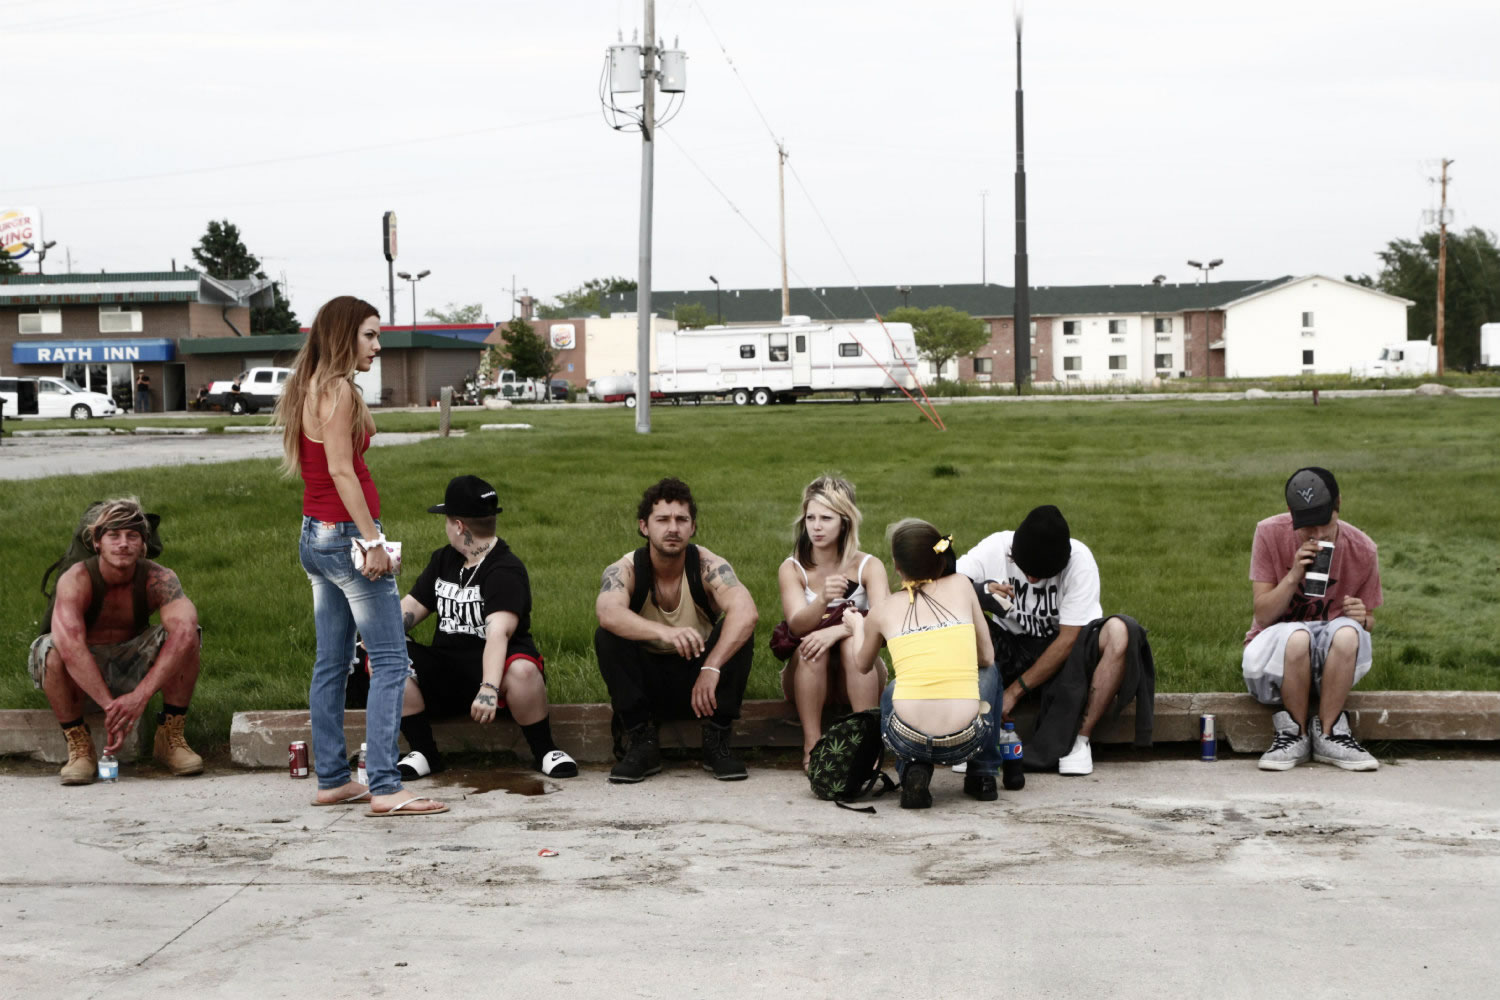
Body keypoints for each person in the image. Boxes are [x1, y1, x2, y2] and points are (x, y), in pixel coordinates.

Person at [275, 295, 446, 817]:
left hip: (315, 537)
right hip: (348, 538)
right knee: (391, 660)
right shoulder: (339, 391)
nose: (378, 345)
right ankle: (386, 787)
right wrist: (372, 541)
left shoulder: (308, 386)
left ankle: (332, 778)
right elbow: (342, 472)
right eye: (370, 335)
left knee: (332, 661)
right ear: (344, 335)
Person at [396, 474, 579, 781]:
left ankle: (545, 749)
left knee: (523, 670)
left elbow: (499, 634)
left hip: (498, 677)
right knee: (388, 657)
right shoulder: (444, 560)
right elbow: (413, 607)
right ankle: (424, 752)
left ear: (458, 526)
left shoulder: (505, 569)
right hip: (447, 668)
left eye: (447, 520)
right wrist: (377, 634)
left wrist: (488, 688)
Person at [956, 505, 1154, 777]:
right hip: (1007, 647)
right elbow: (943, 586)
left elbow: (1069, 640)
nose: (1033, 579)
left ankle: (1079, 741)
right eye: (1027, 571)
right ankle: (972, 735)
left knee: (1122, 631)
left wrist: (1014, 692)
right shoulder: (996, 547)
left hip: (1064, 657)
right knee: (958, 620)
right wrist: (982, 592)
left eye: (1042, 575)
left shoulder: (1080, 561)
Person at [27, 497, 203, 784]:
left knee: (188, 635)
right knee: (50, 649)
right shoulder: (76, 579)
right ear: (97, 542)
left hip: (132, 661)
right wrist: (113, 709)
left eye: (132, 536)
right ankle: (80, 745)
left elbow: (184, 629)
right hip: (82, 670)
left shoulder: (159, 579)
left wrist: (139, 697)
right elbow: (71, 645)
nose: (123, 543)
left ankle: (170, 736)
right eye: (114, 535)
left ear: (143, 543)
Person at [594, 477, 758, 784]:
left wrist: (711, 666)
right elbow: (607, 612)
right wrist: (665, 632)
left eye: (682, 520)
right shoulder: (626, 569)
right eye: (663, 520)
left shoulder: (708, 565)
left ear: (692, 527)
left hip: (702, 684)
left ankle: (717, 738)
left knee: (739, 630)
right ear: (644, 526)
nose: (673, 528)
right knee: (608, 635)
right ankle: (641, 741)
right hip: (647, 685)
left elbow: (746, 611)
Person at [845, 520, 999, 808]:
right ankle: (983, 773)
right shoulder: (962, 586)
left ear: (896, 566)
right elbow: (986, 657)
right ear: (938, 557)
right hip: (966, 737)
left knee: (895, 687)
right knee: (991, 671)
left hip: (907, 738)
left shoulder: (882, 610)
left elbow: (862, 665)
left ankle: (912, 769)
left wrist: (857, 626)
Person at [1244, 467, 1381, 772]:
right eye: (1307, 529)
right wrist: (1293, 575)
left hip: (1329, 665)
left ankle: (1331, 733)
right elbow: (1263, 615)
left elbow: (1369, 622)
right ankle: (1293, 732)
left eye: (1326, 525)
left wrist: (1363, 617)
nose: (1317, 536)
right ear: (1292, 515)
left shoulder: (1363, 549)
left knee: (1347, 631)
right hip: (1274, 662)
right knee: (1297, 635)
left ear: (1338, 505)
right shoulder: (1269, 532)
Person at [775, 475, 889, 768]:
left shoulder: (868, 565)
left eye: (826, 518)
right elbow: (798, 626)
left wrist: (839, 629)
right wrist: (823, 599)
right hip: (807, 673)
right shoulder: (793, 567)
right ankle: (812, 745)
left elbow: (886, 622)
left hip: (861, 670)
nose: (816, 526)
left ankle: (867, 744)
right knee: (813, 647)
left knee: (854, 643)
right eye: (810, 517)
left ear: (845, 521)